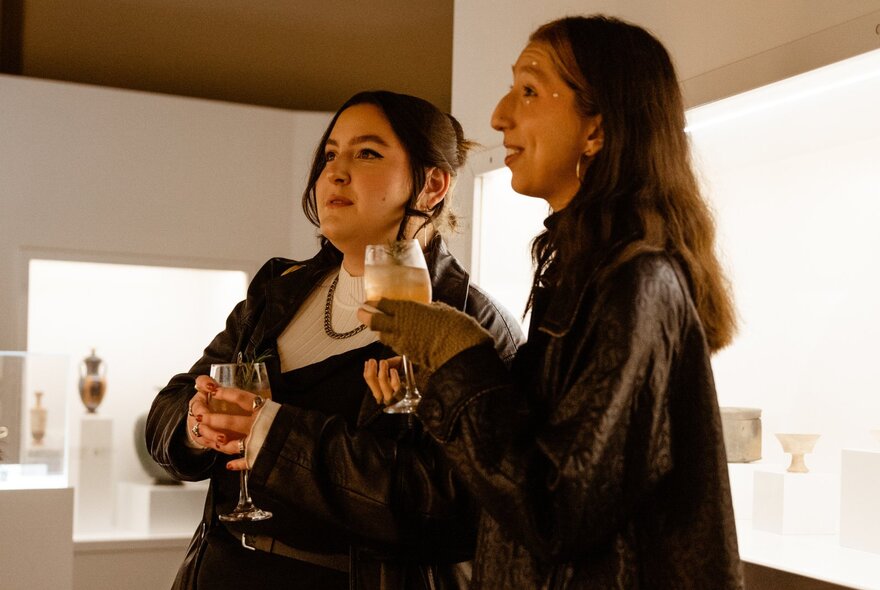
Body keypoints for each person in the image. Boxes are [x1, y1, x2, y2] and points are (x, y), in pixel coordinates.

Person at [359, 16, 744, 589]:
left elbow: (555, 510)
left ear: (597, 130)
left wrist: (460, 357)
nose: (498, 115)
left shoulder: (639, 282)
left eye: (530, 90)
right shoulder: (584, 271)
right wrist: (440, 383)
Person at [146, 90, 523, 590]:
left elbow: (452, 507)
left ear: (433, 185)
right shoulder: (278, 293)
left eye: (367, 153)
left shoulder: (472, 323)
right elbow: (172, 405)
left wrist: (270, 432)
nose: (335, 173)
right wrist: (200, 425)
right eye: (330, 154)